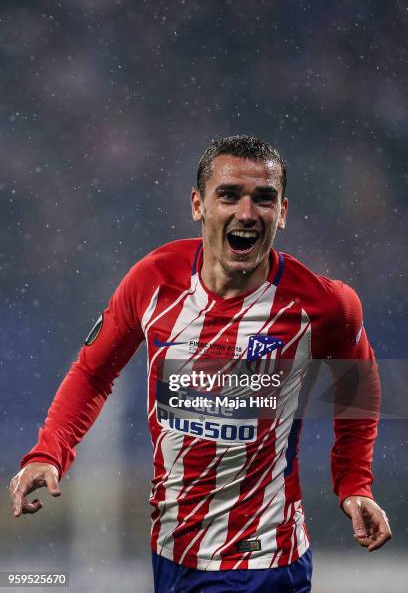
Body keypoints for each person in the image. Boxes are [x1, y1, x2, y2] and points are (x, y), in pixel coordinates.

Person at [9, 135, 391, 592]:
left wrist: (354, 483)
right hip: (171, 549)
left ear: (282, 212)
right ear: (198, 205)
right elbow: (94, 371)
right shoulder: (153, 280)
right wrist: (49, 452)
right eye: (229, 195)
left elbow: (359, 388)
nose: (246, 213)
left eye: (263, 199)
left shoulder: (324, 306)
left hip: (263, 561)